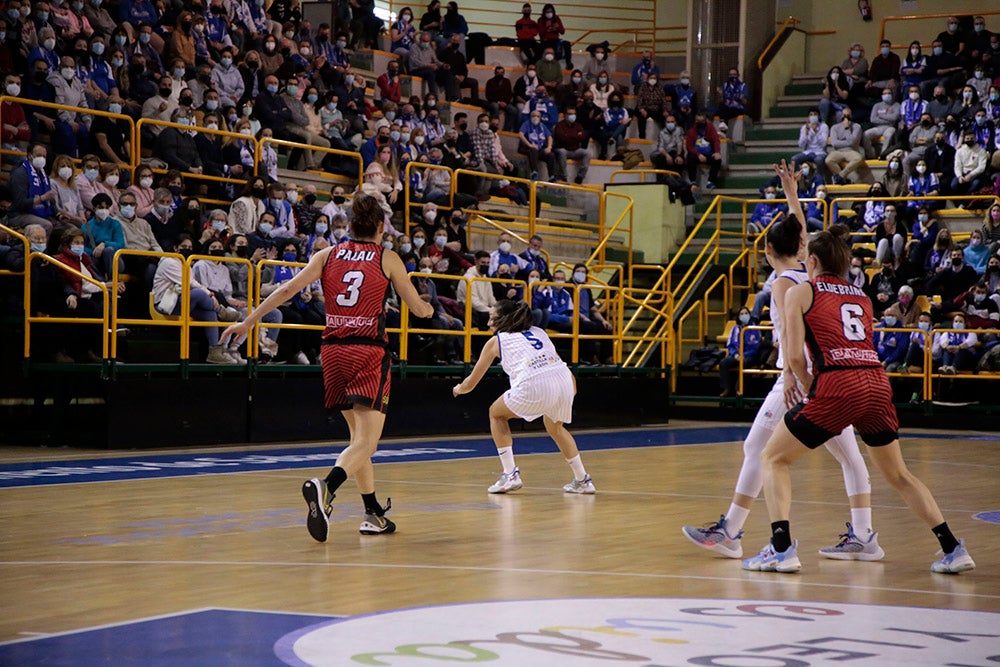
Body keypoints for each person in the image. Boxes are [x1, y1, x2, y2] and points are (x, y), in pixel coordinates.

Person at [743, 225, 975, 574]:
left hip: (839, 384)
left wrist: (810, 388)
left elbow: (793, 356)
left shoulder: (800, 292)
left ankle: (781, 549)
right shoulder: (861, 296)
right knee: (899, 474)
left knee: (772, 458)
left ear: (814, 261)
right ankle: (953, 548)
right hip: (877, 383)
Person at [683, 161, 882, 564]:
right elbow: (801, 229)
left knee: (758, 447)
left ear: (766, 249)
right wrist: (791, 194)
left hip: (800, 378)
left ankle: (733, 532)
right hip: (831, 374)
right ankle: (864, 535)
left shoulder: (782, 285)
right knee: (848, 457)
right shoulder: (807, 268)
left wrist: (793, 377)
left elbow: (792, 342)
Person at [221, 194, 434, 542]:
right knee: (368, 443)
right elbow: (417, 308)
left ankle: (372, 512)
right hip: (367, 351)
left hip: (332, 353)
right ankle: (326, 486)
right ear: (381, 228)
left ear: (349, 226)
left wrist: (249, 322)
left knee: (358, 441)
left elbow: (288, 289)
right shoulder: (388, 258)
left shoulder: (327, 254)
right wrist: (426, 308)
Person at [452, 299, 596, 495]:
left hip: (536, 382)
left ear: (504, 320)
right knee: (556, 427)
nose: (488, 324)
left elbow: (471, 383)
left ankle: (510, 474)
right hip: (565, 380)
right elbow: (558, 362)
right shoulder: (539, 331)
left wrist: (459, 388)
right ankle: (583, 480)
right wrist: (569, 389)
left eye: (492, 319)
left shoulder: (497, 341)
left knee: (496, 414)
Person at [719, 307, 762, 397]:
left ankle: (739, 389)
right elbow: (730, 344)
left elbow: (756, 346)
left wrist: (744, 355)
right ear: (738, 317)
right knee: (724, 362)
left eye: (746, 313)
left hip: (750, 355)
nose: (744, 316)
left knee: (745, 363)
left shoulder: (755, 328)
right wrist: (735, 355)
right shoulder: (735, 329)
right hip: (737, 355)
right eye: (741, 314)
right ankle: (726, 388)